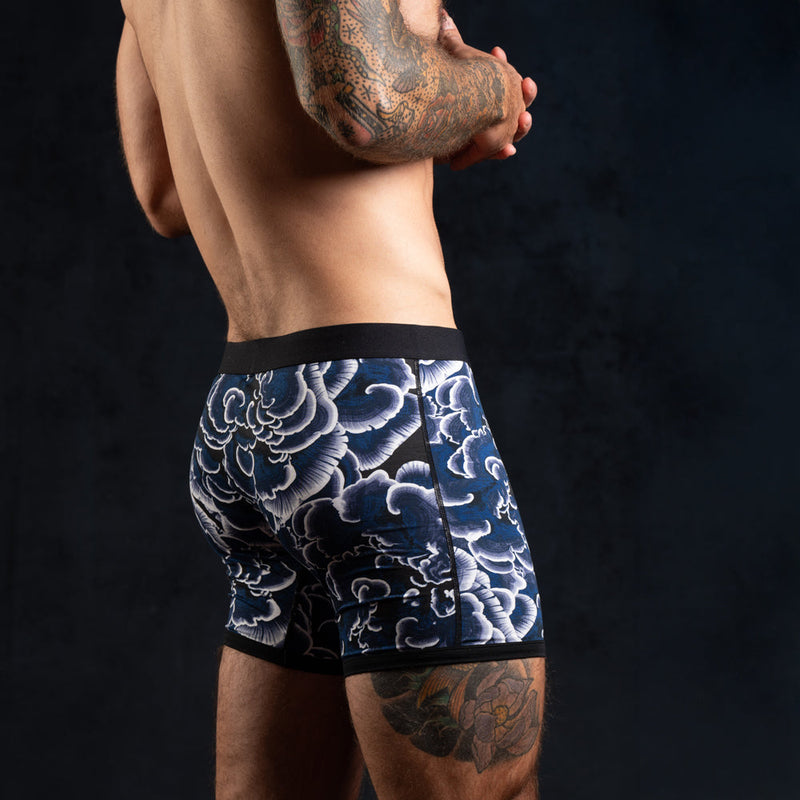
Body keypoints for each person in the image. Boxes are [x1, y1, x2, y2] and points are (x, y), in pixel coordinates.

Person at [116, 1, 546, 797]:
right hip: (384, 413)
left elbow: (165, 192)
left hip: (246, 422)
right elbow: (366, 102)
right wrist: (491, 90)